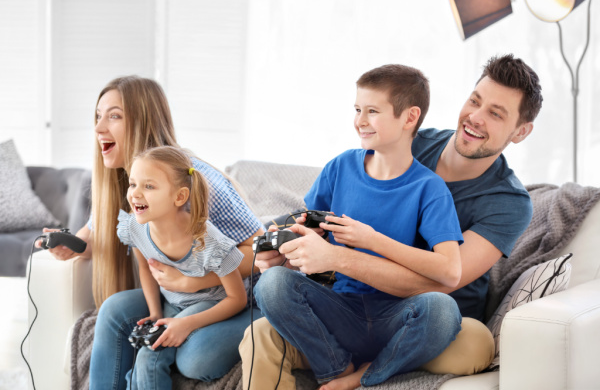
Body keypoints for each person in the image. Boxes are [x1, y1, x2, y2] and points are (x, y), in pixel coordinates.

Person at [239, 54, 541, 389]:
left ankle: (370, 369)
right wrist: (286, 253)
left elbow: (441, 282)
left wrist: (341, 257)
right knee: (260, 333)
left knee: (475, 343)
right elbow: (329, 220)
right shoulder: (407, 142)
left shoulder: (507, 202)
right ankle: (339, 365)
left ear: (521, 132)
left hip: (426, 318)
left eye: (496, 114)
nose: (475, 117)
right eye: (475, 101)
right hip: (349, 305)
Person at [38, 76, 264, 389]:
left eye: (114, 116)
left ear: (143, 121)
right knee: (114, 310)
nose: (99, 128)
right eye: (97, 116)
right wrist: (67, 245)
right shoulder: (127, 187)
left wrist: (193, 280)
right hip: (174, 296)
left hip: (229, 295)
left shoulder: (196, 180)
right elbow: (89, 240)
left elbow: (263, 253)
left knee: (194, 359)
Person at [118, 145, 250, 389]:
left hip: (210, 300)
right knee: (138, 366)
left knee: (150, 354)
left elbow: (237, 299)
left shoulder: (209, 241)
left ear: (179, 197)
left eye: (149, 186)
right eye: (133, 184)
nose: (135, 193)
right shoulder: (135, 227)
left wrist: (186, 323)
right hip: (173, 301)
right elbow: (146, 269)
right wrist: (156, 312)